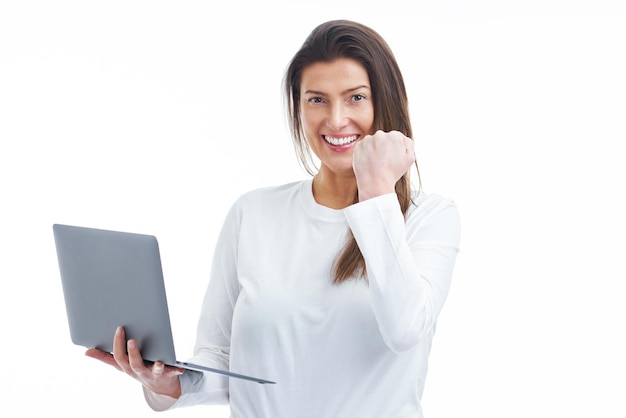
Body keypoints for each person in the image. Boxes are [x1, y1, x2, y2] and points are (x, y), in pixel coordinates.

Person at [86, 19, 461, 417]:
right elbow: (221, 357)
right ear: (298, 107)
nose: (335, 120)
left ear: (384, 103)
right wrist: (165, 382)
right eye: (317, 100)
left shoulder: (429, 218)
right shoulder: (253, 213)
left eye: (355, 98)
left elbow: (404, 331)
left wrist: (376, 191)